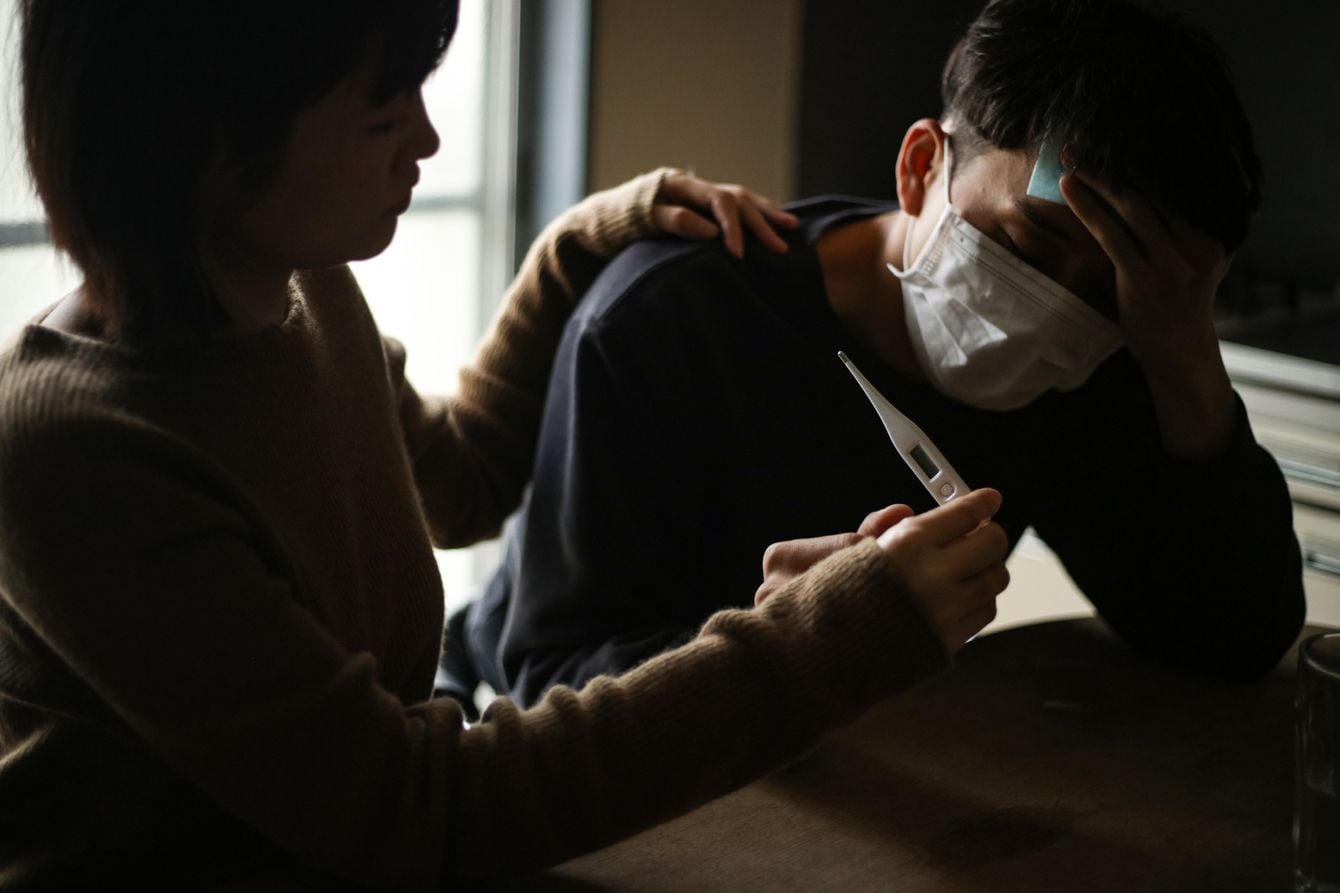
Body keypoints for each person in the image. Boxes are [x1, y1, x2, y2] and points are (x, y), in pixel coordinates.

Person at [0, 0, 1012, 887]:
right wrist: (819, 638)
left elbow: (464, 479)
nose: (428, 140)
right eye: (385, 115)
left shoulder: (295, 291)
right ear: (211, 142)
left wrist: (574, 249)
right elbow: (419, 806)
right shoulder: (74, 454)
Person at [448, 0, 1307, 709]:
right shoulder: (670, 321)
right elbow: (548, 674)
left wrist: (1189, 367)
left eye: (1114, 280)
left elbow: (1232, 642)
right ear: (922, 165)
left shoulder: (1098, 347)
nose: (1057, 308)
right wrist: (789, 643)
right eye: (1028, 244)